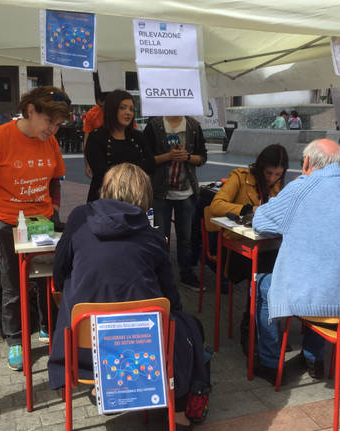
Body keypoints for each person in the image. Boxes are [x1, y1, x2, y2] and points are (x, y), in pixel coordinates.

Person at [48, 163, 210, 430]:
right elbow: (171, 300)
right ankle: (179, 411)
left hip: (84, 349)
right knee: (186, 326)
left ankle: (100, 387)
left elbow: (59, 269)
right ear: (144, 196)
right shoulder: (154, 236)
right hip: (143, 347)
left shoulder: (79, 218)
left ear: (105, 189)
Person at [0, 86, 70, 371]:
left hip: (42, 221)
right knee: (13, 285)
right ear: (31, 110)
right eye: (50, 122)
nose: (54, 130)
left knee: (50, 278)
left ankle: (48, 328)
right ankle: (15, 339)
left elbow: (55, 179)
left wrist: (54, 209)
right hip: (6, 223)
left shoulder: (50, 142)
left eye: (59, 125)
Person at [251, 139, 340, 384]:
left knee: (263, 284)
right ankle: (314, 358)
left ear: (306, 162)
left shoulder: (301, 187)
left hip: (319, 301)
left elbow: (262, 223)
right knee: (327, 276)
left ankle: (270, 363)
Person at [210, 144, 288, 354]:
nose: (272, 178)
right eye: (269, 173)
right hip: (237, 245)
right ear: (261, 167)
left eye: (278, 174)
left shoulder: (280, 186)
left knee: (283, 266)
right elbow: (216, 205)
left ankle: (267, 326)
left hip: (267, 245)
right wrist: (246, 209)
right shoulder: (240, 177)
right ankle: (253, 326)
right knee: (265, 273)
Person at [143, 115, 208, 289]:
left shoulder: (193, 126)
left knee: (186, 238)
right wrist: (168, 156)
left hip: (186, 191)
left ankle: (186, 274)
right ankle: (159, 275)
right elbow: (146, 160)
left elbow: (202, 157)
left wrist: (187, 157)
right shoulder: (154, 125)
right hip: (159, 191)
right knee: (159, 236)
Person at [85, 90, 155, 202]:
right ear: (112, 110)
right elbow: (101, 172)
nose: (128, 113)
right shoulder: (96, 137)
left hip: (137, 199)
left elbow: (150, 164)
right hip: (106, 199)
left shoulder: (138, 137)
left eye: (131, 109)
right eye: (123, 108)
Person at [82, 91, 107, 178]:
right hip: (100, 159)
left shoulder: (120, 112)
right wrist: (87, 163)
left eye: (105, 106)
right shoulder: (92, 114)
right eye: (99, 106)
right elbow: (86, 141)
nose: (102, 109)